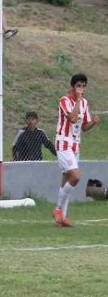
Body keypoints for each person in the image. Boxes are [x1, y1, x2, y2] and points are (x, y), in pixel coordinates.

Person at [53, 74, 99, 227]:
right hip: (63, 142)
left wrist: (93, 122)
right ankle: (58, 209)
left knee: (67, 180)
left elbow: (84, 126)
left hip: (75, 144)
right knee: (76, 176)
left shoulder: (84, 103)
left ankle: (61, 218)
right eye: (78, 86)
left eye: (83, 86)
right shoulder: (64, 100)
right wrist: (78, 100)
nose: (81, 89)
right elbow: (72, 118)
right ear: (72, 87)